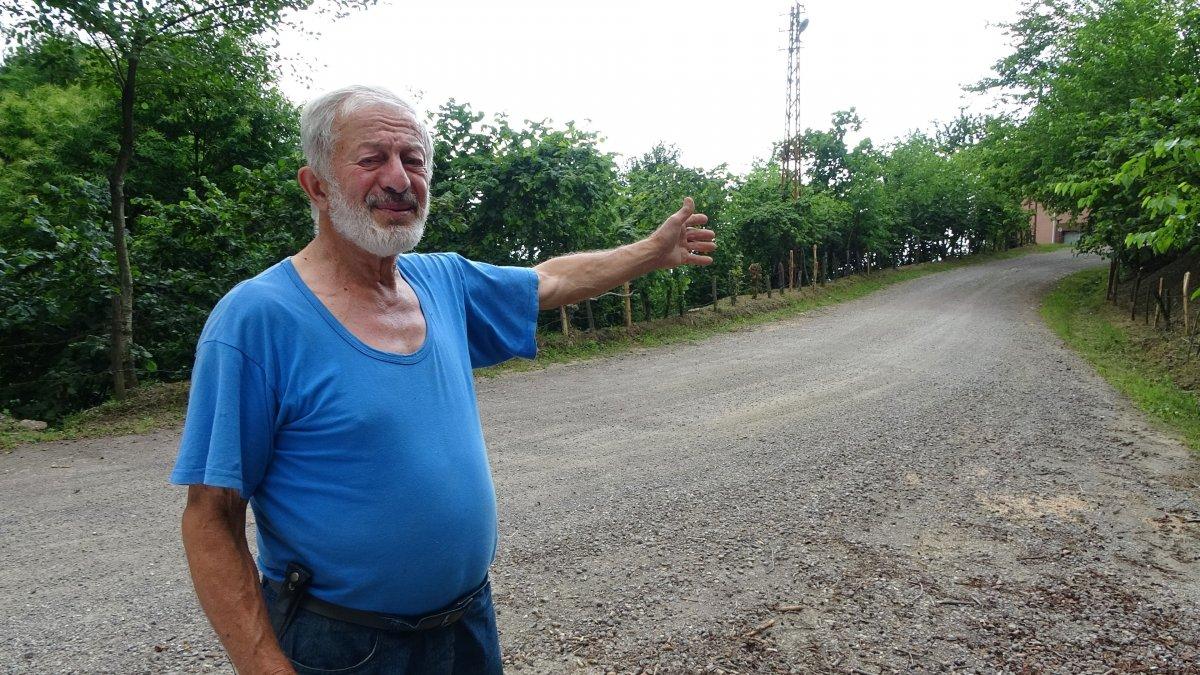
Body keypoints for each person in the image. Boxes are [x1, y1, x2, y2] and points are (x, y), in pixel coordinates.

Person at [171, 84, 716, 675]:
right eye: (371, 159)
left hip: (467, 627)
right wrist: (264, 666)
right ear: (317, 185)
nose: (399, 179)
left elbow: (551, 281)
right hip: (343, 644)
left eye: (413, 160)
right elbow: (211, 514)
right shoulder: (258, 319)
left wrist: (651, 251)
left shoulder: (442, 282)